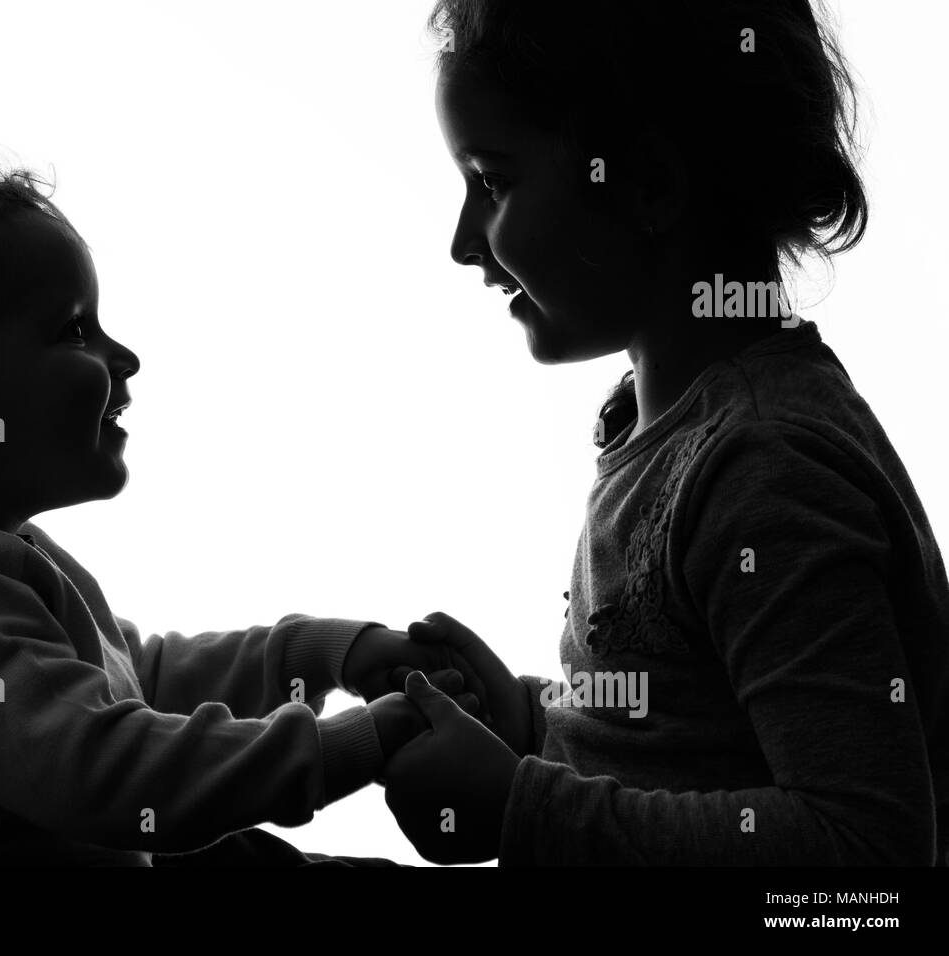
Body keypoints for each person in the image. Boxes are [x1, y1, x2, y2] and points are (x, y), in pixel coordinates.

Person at [0, 153, 474, 865]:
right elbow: (105, 769)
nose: (124, 358)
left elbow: (140, 680)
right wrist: (363, 741)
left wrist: (323, 653)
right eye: (74, 330)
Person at [381, 0, 949, 866]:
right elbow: (689, 734)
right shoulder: (661, 426)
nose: (464, 242)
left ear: (645, 186)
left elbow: (868, 852)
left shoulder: (764, 466)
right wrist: (533, 724)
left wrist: (519, 808)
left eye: (492, 182)